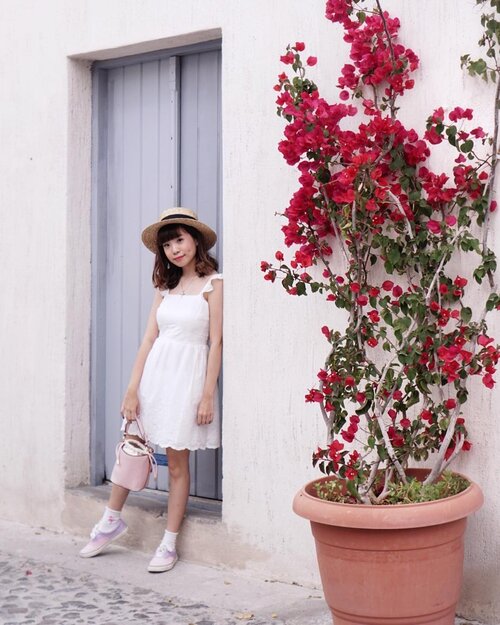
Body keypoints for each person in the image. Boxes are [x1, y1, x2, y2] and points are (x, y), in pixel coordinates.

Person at [79, 207, 223, 573]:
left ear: (195, 240)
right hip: (155, 376)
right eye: (167, 244)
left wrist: (207, 395)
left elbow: (217, 342)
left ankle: (168, 543)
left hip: (188, 380)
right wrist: (132, 388)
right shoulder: (164, 288)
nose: (175, 249)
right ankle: (111, 519)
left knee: (177, 463)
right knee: (132, 449)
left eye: (179, 239)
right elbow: (148, 339)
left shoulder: (214, 285)